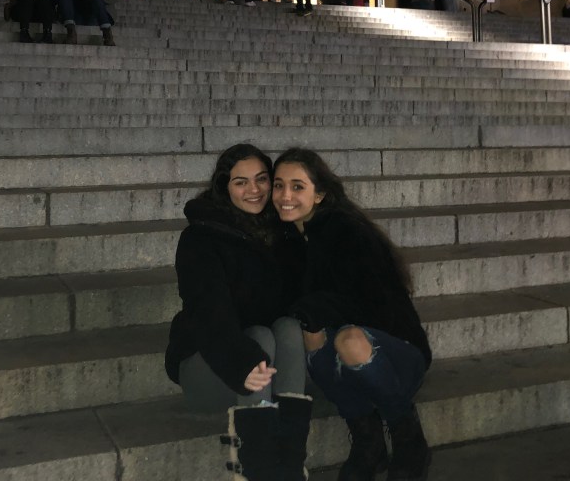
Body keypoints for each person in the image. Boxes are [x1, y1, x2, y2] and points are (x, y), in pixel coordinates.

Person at [273, 148, 432, 481]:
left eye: (298, 186)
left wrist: (312, 306)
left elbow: (373, 305)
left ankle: (408, 437)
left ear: (320, 194)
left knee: (348, 337)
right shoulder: (288, 238)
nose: (285, 196)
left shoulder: (347, 232)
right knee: (309, 328)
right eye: (278, 185)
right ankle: (367, 440)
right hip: (347, 360)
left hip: (397, 355)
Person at [165, 144, 310, 480]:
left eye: (261, 179)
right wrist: (239, 362)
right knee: (259, 336)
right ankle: (256, 468)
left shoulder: (283, 232)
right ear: (224, 187)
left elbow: (301, 299)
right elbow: (206, 311)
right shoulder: (200, 238)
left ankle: (290, 463)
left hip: (265, 368)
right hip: (210, 366)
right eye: (240, 182)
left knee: (288, 327)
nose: (254, 190)